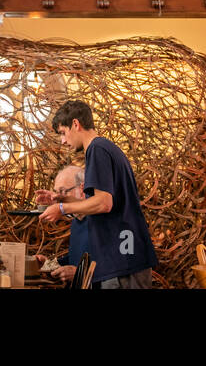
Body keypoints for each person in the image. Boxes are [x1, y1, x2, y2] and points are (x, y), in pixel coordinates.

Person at [39, 100, 157, 288]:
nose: (62, 141)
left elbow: (104, 203)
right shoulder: (104, 148)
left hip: (122, 261)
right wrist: (61, 198)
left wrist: (62, 208)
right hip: (122, 259)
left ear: (76, 124)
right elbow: (104, 201)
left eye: (63, 133)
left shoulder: (97, 149)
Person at [34, 165, 88, 285]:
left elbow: (117, 267)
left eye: (63, 191)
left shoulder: (103, 220)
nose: (56, 198)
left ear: (83, 190)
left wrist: (80, 273)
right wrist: (49, 265)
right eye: (56, 192)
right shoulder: (77, 220)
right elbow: (76, 259)